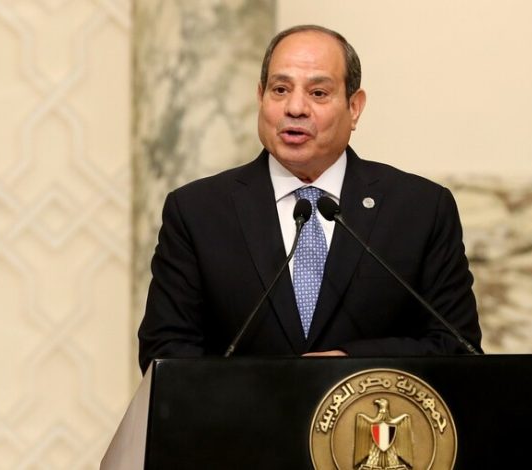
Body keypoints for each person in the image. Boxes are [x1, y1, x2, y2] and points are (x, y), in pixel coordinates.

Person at [138, 25, 481, 372]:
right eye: (280, 89)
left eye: (318, 93)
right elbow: (165, 354)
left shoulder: (420, 209)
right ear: (260, 97)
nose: (295, 108)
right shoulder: (198, 212)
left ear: (354, 107)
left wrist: (348, 366)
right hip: (245, 409)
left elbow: (458, 347)